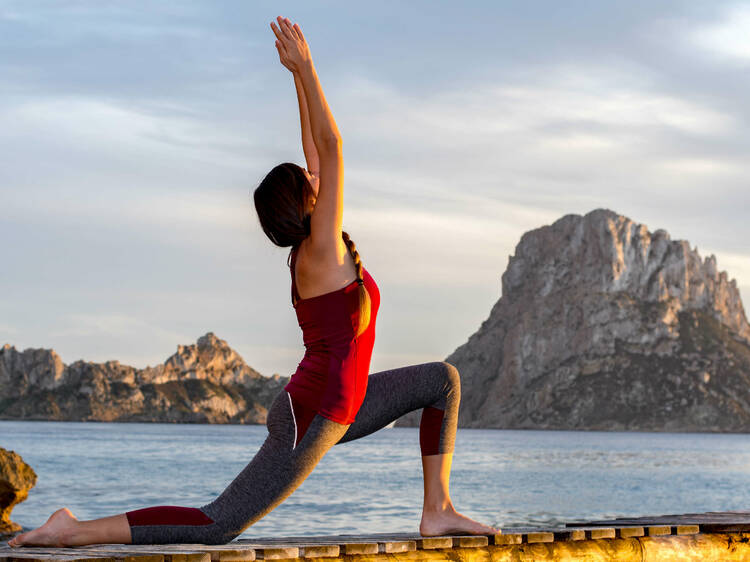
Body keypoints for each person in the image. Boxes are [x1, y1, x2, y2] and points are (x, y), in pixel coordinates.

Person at [7, 16, 498, 548]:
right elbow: (332, 149)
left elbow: (315, 150)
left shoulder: (318, 245)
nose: (316, 176)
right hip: (311, 417)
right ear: (306, 204)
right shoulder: (320, 251)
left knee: (441, 381)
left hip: (345, 405)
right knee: (219, 523)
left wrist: (294, 79)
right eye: (308, 182)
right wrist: (308, 69)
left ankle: (438, 509)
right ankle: (72, 529)